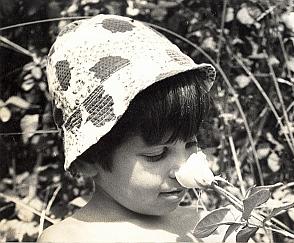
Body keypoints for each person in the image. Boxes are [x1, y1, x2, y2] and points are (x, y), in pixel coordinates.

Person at [38, 14, 218, 242]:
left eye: (191, 144)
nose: (181, 171)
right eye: (157, 154)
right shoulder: (69, 239)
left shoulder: (205, 224)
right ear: (87, 160)